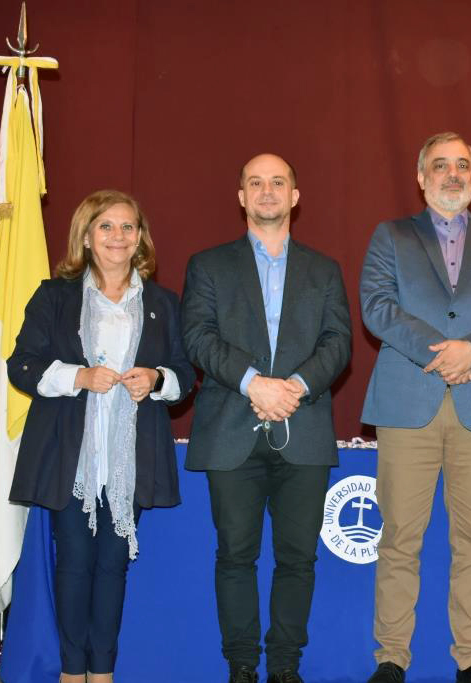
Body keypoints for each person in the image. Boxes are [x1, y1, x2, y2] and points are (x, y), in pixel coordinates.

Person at [359, 132, 471, 683]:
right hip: (409, 400)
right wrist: (444, 354)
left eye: (462, 165)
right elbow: (377, 307)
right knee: (400, 539)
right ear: (421, 176)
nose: (452, 174)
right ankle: (391, 659)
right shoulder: (391, 235)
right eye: (441, 165)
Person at [7, 190, 195, 683]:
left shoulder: (162, 302)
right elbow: (21, 366)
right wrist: (77, 377)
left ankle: (103, 672)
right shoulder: (54, 297)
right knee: (73, 563)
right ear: (86, 237)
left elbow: (184, 374)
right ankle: (72, 672)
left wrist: (155, 379)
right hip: (71, 456)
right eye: (106, 227)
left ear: (140, 239)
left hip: (130, 458)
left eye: (128, 227)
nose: (118, 236)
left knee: (113, 566)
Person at [181, 153, 351, 683]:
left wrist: (292, 389)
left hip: (303, 429)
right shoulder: (208, 265)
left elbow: (338, 343)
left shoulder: (324, 270)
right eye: (256, 183)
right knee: (235, 556)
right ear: (241, 196)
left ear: (295, 196)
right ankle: (241, 667)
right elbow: (198, 338)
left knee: (298, 559)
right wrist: (256, 384)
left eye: (278, 182)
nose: (268, 191)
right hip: (231, 427)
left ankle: (284, 667)